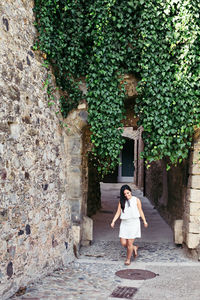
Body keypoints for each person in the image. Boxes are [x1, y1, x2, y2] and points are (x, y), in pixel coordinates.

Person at [111, 184, 148, 265]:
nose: (127, 195)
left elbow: (140, 211)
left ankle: (128, 259)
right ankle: (134, 248)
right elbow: (118, 212)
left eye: (128, 193)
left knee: (129, 243)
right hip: (124, 223)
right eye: (124, 194)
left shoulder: (136, 200)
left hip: (134, 223)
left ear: (130, 191)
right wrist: (113, 221)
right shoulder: (121, 201)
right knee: (124, 243)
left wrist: (144, 221)